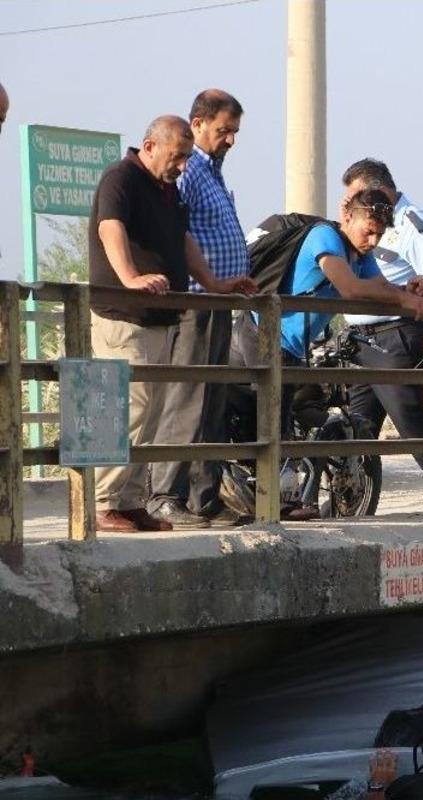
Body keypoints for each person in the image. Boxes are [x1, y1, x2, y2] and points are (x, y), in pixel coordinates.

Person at [89, 115, 256, 533]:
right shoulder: (121, 178)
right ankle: (104, 503)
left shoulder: (165, 190)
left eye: (185, 158)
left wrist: (213, 283)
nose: (182, 166)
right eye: (176, 156)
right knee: (129, 408)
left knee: (151, 416)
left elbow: (183, 241)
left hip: (161, 318)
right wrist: (130, 278)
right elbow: (111, 228)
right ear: (150, 146)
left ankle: (131, 502)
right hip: (124, 317)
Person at [228, 189, 423, 480]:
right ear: (347, 217)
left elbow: (380, 287)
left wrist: (404, 290)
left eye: (379, 235)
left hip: (293, 347)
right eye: (369, 232)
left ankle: (279, 495)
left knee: (290, 417)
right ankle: (268, 498)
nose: (373, 241)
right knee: (271, 423)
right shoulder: (326, 238)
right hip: (264, 333)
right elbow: (350, 288)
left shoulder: (359, 253)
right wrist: (401, 300)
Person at [339, 158, 423, 509]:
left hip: (394, 336)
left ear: (379, 188)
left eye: (357, 194)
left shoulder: (412, 222)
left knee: (408, 418)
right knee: (359, 424)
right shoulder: (358, 222)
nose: (349, 203)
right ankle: (350, 501)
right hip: (360, 338)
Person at [149, 89, 250, 529]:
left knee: (212, 404)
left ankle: (203, 497)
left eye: (234, 132)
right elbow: (177, 233)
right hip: (194, 302)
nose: (230, 139)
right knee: (186, 399)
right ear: (199, 123)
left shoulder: (213, 174)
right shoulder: (188, 172)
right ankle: (164, 495)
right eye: (224, 130)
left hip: (220, 301)